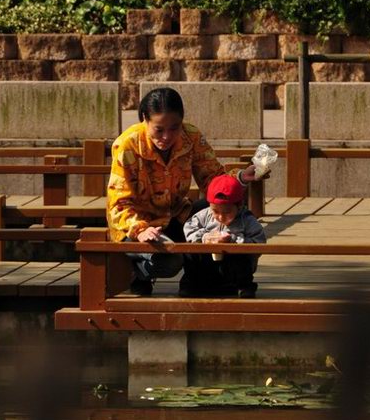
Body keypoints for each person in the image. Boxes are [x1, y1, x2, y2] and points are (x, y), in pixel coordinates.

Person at [107, 87, 259, 295]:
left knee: (227, 211)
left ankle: (219, 278)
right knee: (169, 261)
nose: (167, 136)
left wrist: (240, 178)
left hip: (177, 214)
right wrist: (140, 229)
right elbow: (119, 203)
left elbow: (213, 180)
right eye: (159, 129)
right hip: (138, 224)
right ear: (145, 119)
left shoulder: (191, 136)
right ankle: (137, 272)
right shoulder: (127, 145)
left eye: (174, 128)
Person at [182, 174, 266, 298]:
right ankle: (191, 284)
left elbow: (259, 243)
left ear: (239, 205)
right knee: (189, 251)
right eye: (215, 211)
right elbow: (189, 228)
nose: (221, 217)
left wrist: (234, 241)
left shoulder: (247, 220)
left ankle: (243, 286)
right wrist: (205, 237)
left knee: (241, 258)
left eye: (227, 212)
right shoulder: (203, 215)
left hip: (233, 266)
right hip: (207, 263)